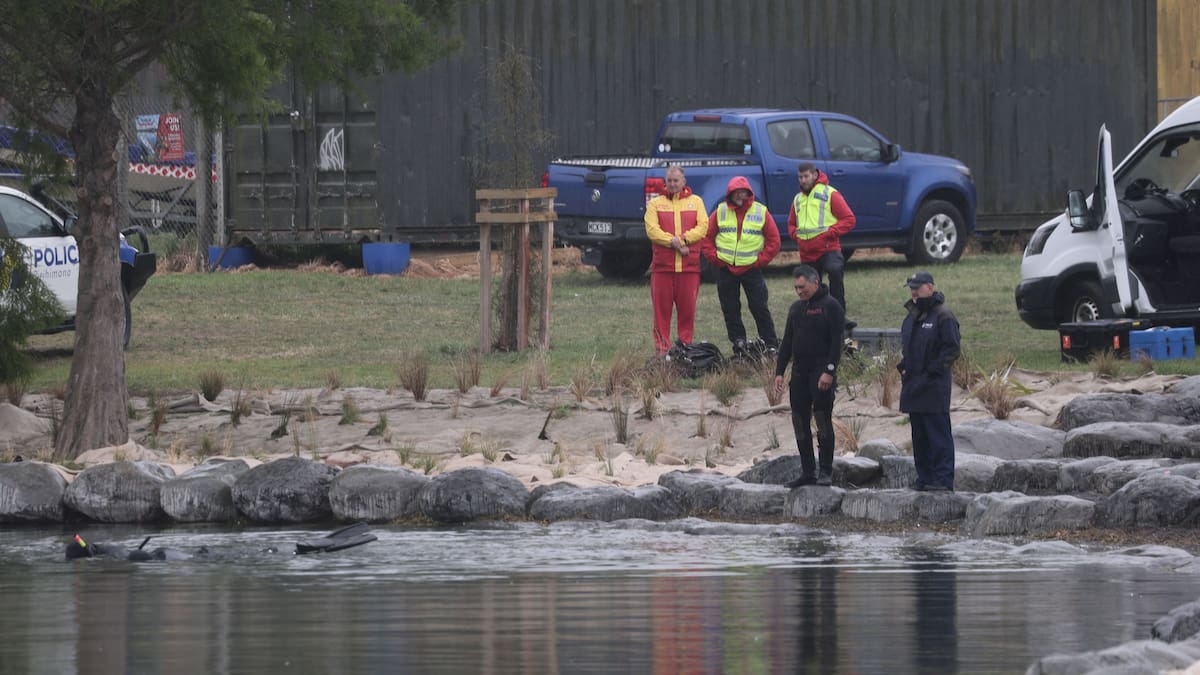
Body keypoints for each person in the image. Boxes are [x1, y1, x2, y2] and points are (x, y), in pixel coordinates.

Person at [774, 264, 845, 487]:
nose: (799, 291)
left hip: (821, 372)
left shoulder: (831, 306)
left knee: (822, 420)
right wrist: (779, 371)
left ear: (815, 283)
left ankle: (825, 471)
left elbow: (837, 342)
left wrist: (829, 371)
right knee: (799, 420)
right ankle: (808, 471)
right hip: (799, 373)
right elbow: (787, 342)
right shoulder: (796, 308)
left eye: (802, 287)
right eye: (796, 287)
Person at [702, 176, 779, 357]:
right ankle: (739, 343)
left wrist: (760, 261)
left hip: (751, 269)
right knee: (730, 308)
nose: (740, 195)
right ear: (730, 194)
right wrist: (715, 259)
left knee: (759, 307)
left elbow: (774, 241)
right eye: (736, 192)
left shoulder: (761, 212)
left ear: (749, 193)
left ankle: (770, 344)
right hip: (726, 269)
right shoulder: (720, 211)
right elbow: (706, 237)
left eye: (743, 192)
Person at [898, 270, 961, 491]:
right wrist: (904, 367)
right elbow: (909, 347)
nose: (914, 291)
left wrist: (933, 371)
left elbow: (952, 350)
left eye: (918, 286)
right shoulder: (911, 316)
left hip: (934, 387)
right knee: (919, 436)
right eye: (912, 287)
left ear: (930, 287)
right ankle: (924, 478)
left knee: (938, 435)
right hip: (914, 386)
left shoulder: (944, 315)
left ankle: (943, 480)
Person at [644, 165, 709, 354]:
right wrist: (671, 242)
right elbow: (651, 230)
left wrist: (682, 240)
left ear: (684, 182)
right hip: (662, 268)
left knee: (687, 312)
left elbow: (703, 226)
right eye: (669, 181)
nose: (672, 184)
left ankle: (685, 349)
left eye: (676, 181)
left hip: (689, 269)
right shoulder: (656, 204)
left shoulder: (696, 202)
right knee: (661, 314)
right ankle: (662, 351)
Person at [787, 162, 856, 322]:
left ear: (815, 175)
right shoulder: (797, 199)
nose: (803, 180)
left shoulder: (829, 193)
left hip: (828, 248)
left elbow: (849, 219)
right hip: (806, 251)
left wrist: (829, 234)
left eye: (806, 176)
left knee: (834, 273)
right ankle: (814, 315)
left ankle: (839, 316)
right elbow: (791, 223)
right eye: (800, 177)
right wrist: (795, 235)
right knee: (810, 286)